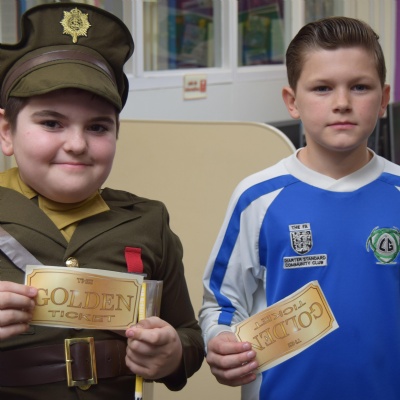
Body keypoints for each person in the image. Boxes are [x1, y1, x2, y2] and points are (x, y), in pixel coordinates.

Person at [0, 3, 203, 399]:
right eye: (52, 123)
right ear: (6, 131)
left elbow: (189, 336)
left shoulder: (148, 221)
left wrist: (174, 353)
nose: (76, 144)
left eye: (97, 127)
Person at [199, 16, 399, 400]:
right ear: (292, 102)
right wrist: (219, 339)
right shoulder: (258, 197)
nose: (342, 103)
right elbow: (222, 304)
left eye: (360, 87)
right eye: (322, 88)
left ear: (384, 98)